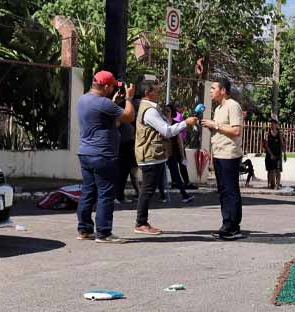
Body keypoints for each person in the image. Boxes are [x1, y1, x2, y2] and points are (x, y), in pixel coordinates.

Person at [133, 77, 200, 235]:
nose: (159, 93)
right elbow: (167, 131)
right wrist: (186, 123)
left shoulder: (152, 108)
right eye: (156, 90)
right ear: (148, 92)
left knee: (149, 189)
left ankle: (142, 222)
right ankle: (140, 223)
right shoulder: (149, 111)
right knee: (147, 190)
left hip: (155, 155)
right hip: (149, 155)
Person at [76, 71, 135, 243]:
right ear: (107, 86)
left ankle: (84, 229)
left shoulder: (83, 100)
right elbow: (128, 117)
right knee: (106, 194)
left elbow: (107, 121)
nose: (113, 90)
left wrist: (114, 103)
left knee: (88, 192)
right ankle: (103, 233)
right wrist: (129, 99)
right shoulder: (103, 103)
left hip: (85, 153)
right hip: (102, 154)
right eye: (112, 87)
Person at [202, 77, 245, 240]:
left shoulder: (233, 106)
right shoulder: (219, 108)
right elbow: (221, 129)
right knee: (223, 190)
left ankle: (233, 226)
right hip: (219, 154)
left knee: (231, 190)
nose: (211, 91)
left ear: (223, 91)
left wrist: (216, 125)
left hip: (229, 154)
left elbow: (236, 131)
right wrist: (212, 127)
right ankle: (226, 223)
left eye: (214, 88)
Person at [262, 119, 285, 190]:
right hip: (269, 154)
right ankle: (270, 184)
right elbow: (266, 145)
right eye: (271, 124)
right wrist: (271, 154)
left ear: (276, 125)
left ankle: (277, 184)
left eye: (273, 124)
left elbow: (281, 144)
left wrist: (285, 154)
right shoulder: (267, 133)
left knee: (278, 170)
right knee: (270, 170)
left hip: (277, 154)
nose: (272, 125)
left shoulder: (279, 133)